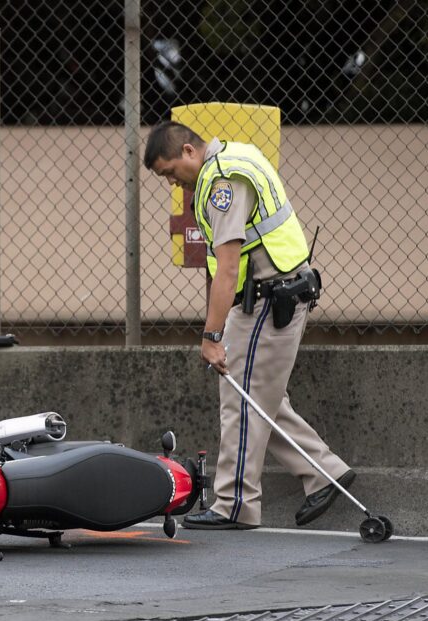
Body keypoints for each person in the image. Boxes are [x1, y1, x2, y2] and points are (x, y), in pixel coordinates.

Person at [143, 122, 354, 530]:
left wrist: (211, 336)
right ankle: (324, 472)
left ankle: (234, 504)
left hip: (268, 300)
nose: (171, 181)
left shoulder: (223, 182)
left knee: (241, 403)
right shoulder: (238, 155)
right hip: (272, 295)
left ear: (189, 151)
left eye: (170, 171)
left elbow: (226, 269)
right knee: (259, 398)